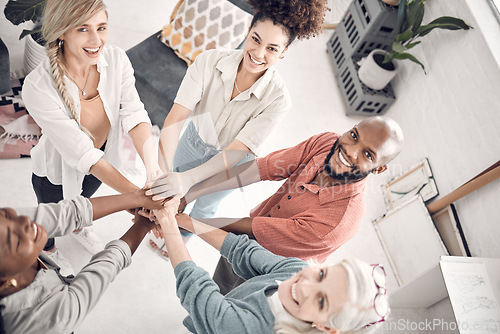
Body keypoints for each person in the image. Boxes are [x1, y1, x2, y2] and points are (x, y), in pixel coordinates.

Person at [148, 0, 329, 259]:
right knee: (174, 190)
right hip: (193, 142)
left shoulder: (278, 100)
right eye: (255, 39)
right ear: (247, 31)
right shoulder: (208, 61)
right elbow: (176, 117)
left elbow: (237, 150)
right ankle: (166, 226)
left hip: (233, 164)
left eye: (272, 48)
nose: (259, 53)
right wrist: (161, 178)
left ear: (284, 52)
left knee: (206, 210)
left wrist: (189, 181)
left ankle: (180, 239)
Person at [150, 116, 404, 293]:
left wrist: (179, 221)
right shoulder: (327, 143)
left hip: (272, 275)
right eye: (354, 135)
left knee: (234, 315)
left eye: (368, 154)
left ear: (380, 168)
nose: (350, 150)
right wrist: (189, 192)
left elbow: (255, 229)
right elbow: (261, 169)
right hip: (245, 238)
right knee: (220, 284)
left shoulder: (337, 223)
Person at [22, 0, 160, 267]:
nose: (97, 40)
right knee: (50, 222)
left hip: (100, 164)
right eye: (83, 29)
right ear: (62, 31)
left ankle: (79, 227)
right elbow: (82, 154)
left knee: (84, 201)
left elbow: (135, 114)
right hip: (55, 175)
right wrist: (137, 198)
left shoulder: (116, 59)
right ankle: (47, 250)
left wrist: (152, 174)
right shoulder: (37, 87)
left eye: (101, 27)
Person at [155, 202, 389, 334]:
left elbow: (196, 291)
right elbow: (241, 250)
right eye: (321, 274)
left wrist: (167, 223)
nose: (305, 285)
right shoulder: (296, 271)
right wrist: (182, 220)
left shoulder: (252, 329)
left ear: (327, 328)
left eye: (321, 301)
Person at [0, 190, 164, 334]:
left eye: (5, 215)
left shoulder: (9, 239)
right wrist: (143, 224)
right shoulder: (49, 318)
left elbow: (67, 213)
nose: (24, 221)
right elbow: (104, 267)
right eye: (12, 239)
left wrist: (137, 198)